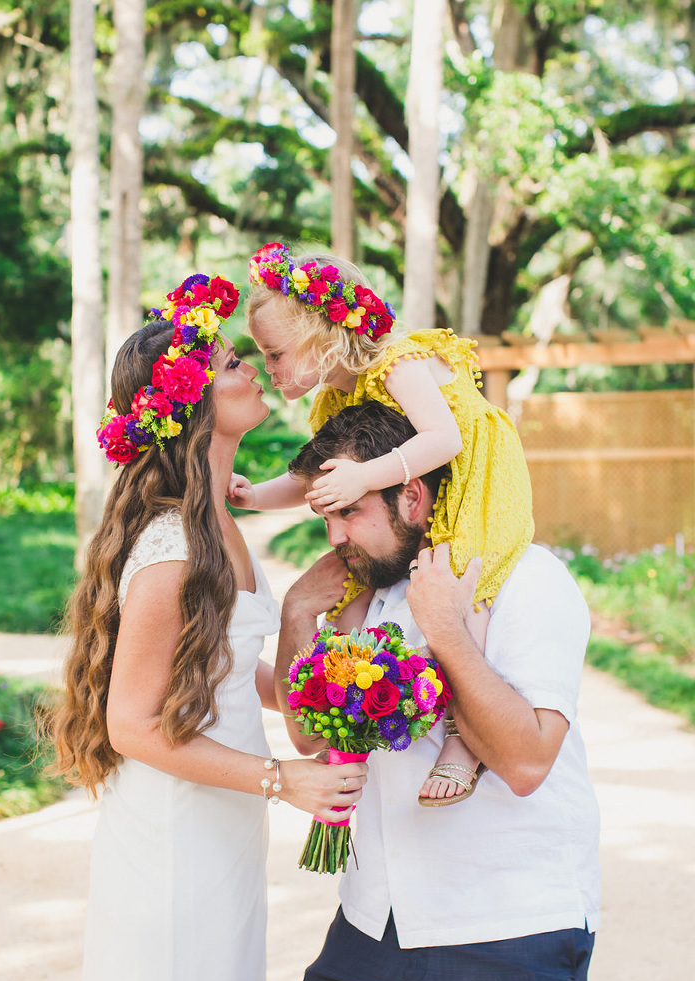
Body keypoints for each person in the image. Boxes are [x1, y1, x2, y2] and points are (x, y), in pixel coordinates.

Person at [50, 274, 366, 981]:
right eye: (236, 361)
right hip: (176, 837)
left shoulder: (221, 525)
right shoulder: (172, 544)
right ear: (193, 401)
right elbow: (133, 726)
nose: (256, 370)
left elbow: (227, 671)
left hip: (219, 828)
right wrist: (283, 778)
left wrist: (330, 694)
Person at [274, 401, 600, 981]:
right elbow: (313, 738)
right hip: (372, 918)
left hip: (503, 920)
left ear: (411, 494)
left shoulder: (526, 582)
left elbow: (523, 761)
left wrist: (446, 627)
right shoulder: (367, 591)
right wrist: (298, 615)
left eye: (349, 512)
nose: (335, 538)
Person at [228, 240, 535, 808]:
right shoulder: (331, 400)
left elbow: (445, 439)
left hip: (473, 474)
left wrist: (367, 476)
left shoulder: (396, 362)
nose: (267, 369)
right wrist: (253, 496)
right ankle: (350, 719)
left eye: (276, 354)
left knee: (468, 583)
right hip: (413, 480)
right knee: (384, 593)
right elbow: (313, 478)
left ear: (323, 336)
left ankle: (465, 741)